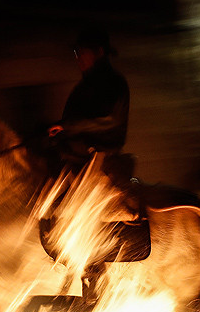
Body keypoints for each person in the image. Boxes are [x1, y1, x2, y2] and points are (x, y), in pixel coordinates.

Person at [47, 26, 138, 218]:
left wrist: (68, 126)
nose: (78, 57)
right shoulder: (82, 87)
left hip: (100, 150)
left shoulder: (114, 83)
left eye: (82, 52)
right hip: (79, 148)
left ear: (99, 52)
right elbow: (69, 119)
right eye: (76, 52)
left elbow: (110, 119)